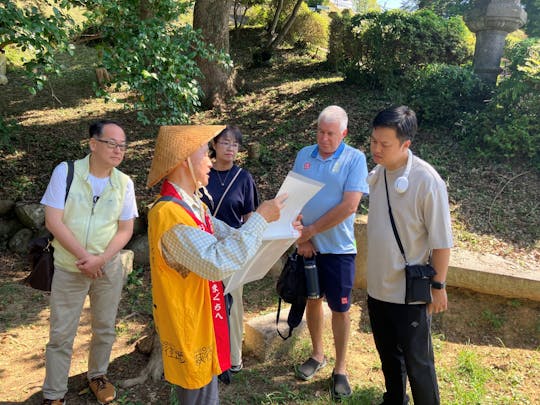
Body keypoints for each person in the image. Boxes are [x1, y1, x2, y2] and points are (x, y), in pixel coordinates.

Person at [146, 125, 301, 405]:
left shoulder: (194, 206)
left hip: (201, 317)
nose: (210, 161)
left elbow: (232, 236)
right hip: (188, 324)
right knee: (198, 394)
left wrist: (281, 226)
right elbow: (217, 261)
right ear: (183, 161)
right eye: (204, 154)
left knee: (207, 392)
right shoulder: (169, 213)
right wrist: (260, 219)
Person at [41, 120, 139, 405]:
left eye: (122, 145)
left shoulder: (123, 182)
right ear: (93, 144)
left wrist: (101, 259)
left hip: (107, 267)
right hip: (69, 267)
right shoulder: (67, 172)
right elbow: (53, 220)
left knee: (105, 326)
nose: (118, 150)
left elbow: (125, 230)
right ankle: (54, 393)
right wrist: (85, 258)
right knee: (61, 333)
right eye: (112, 143)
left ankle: (97, 375)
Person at [366, 106, 453, 405]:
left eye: (385, 144)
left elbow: (442, 241)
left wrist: (438, 286)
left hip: (409, 294)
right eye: (374, 141)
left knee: (419, 363)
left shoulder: (427, 181)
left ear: (406, 144)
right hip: (378, 288)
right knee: (388, 355)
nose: (376, 149)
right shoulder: (377, 174)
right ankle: (394, 399)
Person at [292, 105, 369, 401]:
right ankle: (317, 354)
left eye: (330, 134)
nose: (323, 138)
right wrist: (302, 237)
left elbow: (350, 205)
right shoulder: (304, 155)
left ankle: (340, 368)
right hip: (308, 247)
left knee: (340, 309)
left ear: (344, 134)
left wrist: (312, 230)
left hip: (339, 250)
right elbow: (292, 197)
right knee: (313, 300)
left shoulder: (355, 159)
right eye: (320, 132)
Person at [200, 125, 259, 374]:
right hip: (202, 247)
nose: (231, 148)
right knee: (205, 301)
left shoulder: (243, 178)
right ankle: (207, 354)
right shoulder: (202, 172)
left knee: (232, 302)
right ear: (214, 145)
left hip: (233, 247)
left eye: (235, 144)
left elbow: (250, 216)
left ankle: (233, 357)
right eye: (225, 142)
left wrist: (249, 247)